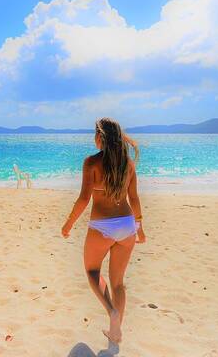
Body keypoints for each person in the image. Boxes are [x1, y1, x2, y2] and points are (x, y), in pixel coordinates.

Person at [61, 118, 145, 344]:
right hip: (127, 226)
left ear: (100, 137)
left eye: (94, 135)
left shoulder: (91, 163)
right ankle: (115, 332)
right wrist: (140, 228)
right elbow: (134, 198)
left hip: (102, 227)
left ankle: (112, 312)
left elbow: (83, 199)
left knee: (92, 272)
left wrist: (68, 223)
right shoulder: (128, 164)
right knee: (118, 282)